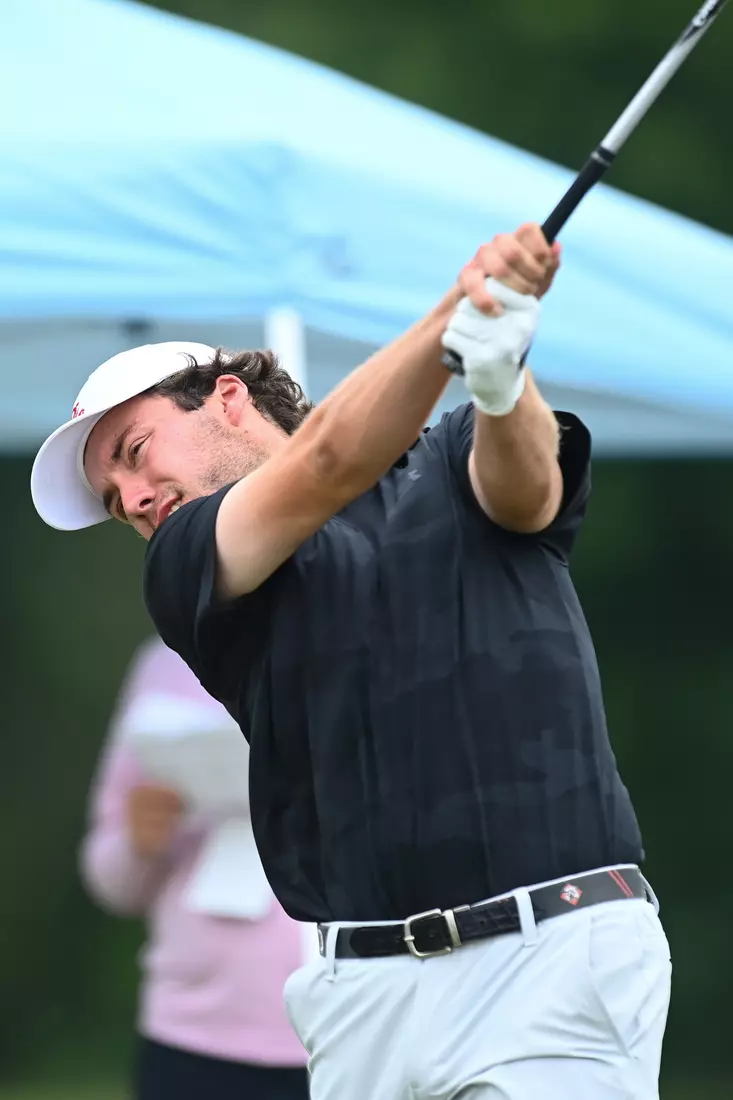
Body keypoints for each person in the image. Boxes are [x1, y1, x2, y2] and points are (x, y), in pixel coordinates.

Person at [32, 223, 672, 1099]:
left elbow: (527, 495)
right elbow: (327, 459)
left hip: (552, 957)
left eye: (135, 454)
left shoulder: (448, 456)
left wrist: (497, 374)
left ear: (225, 398)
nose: (134, 499)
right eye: (114, 500)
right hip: (362, 996)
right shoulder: (187, 565)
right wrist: (464, 309)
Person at [80, 634, 312, 1100]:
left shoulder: (388, 644)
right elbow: (110, 878)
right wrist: (139, 842)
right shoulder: (165, 664)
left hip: (351, 1025)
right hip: (192, 1032)